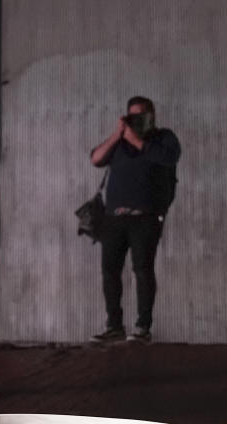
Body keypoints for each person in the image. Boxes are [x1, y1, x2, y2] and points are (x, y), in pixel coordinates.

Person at [89, 96, 181, 344]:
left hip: (146, 218)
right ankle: (114, 326)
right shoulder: (120, 142)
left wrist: (135, 139)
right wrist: (117, 134)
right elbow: (96, 159)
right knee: (110, 272)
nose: (136, 121)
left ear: (152, 116)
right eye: (132, 116)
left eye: (141, 116)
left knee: (142, 270)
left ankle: (143, 327)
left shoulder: (163, 138)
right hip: (114, 218)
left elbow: (169, 158)